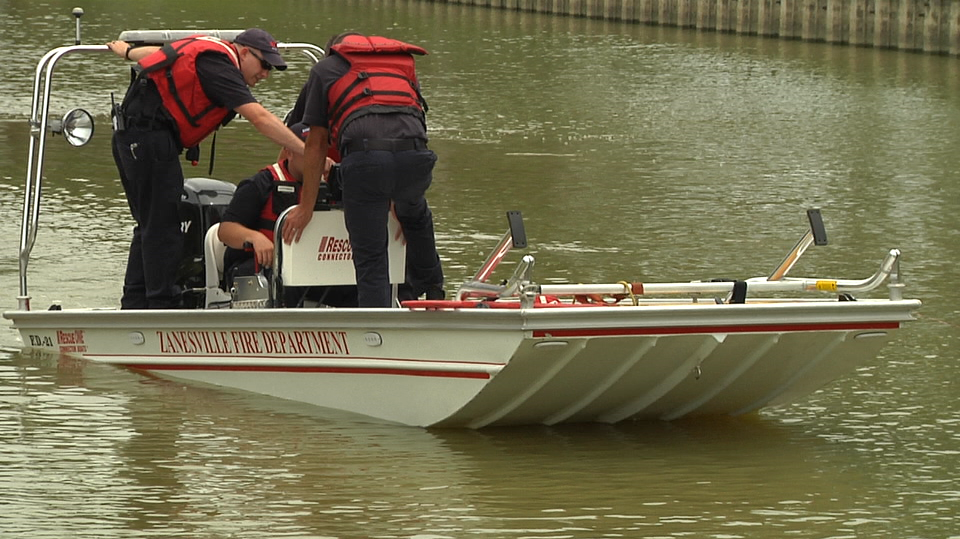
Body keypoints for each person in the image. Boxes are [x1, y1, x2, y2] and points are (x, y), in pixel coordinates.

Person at [106, 28, 305, 309]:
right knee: (164, 225)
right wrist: (308, 152)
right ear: (244, 51)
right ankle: (161, 306)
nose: (265, 75)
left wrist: (126, 51)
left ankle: (135, 303)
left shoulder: (208, 51)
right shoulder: (221, 67)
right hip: (148, 137)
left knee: (151, 223)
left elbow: (159, 55)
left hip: (135, 136)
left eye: (271, 69)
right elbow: (259, 118)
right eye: (264, 65)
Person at [281, 32, 444, 308]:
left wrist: (305, 208)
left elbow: (316, 143)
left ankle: (376, 327)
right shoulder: (398, 65)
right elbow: (413, 119)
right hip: (416, 158)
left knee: (371, 259)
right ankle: (436, 294)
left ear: (333, 51)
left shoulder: (324, 70)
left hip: (366, 163)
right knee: (414, 213)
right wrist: (396, 192)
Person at [217, 123, 356, 307]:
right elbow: (225, 230)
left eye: (321, 151)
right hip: (262, 268)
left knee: (359, 282)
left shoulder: (334, 185)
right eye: (309, 151)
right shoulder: (260, 184)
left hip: (315, 267)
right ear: (289, 152)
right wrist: (255, 237)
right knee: (289, 281)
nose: (317, 158)